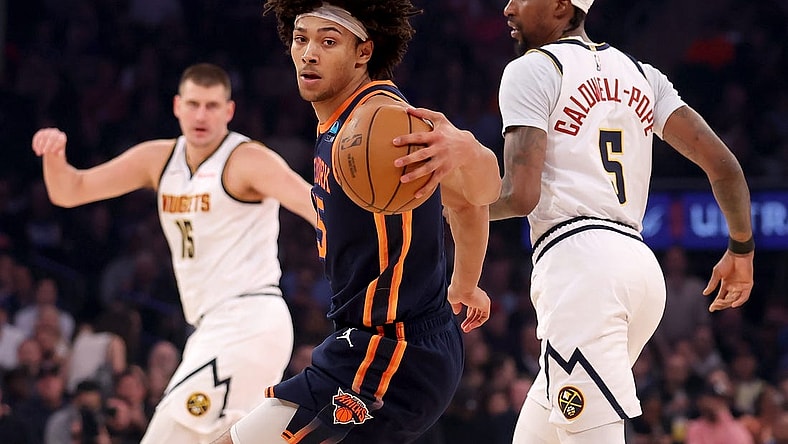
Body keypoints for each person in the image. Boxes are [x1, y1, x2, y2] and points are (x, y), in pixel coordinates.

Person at [397, 0, 755, 442]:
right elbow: (725, 166)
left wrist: (448, 203)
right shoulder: (644, 76)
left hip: (583, 270)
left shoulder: (534, 69)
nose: (507, 8)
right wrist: (741, 248)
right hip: (639, 269)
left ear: (561, 6)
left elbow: (520, 195)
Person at [211, 1, 501, 443]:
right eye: (301, 39)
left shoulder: (384, 125)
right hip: (374, 345)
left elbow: (480, 191)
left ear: (364, 52)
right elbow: (462, 205)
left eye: (329, 42)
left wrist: (467, 148)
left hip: (392, 354)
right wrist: (464, 284)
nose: (309, 53)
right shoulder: (339, 118)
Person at [31, 62, 317, 443]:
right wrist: (54, 155)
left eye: (212, 106)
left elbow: (318, 208)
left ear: (229, 111)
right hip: (211, 327)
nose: (201, 115)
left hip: (248, 320)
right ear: (177, 106)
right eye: (194, 104)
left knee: (165, 437)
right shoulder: (159, 159)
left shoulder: (246, 159)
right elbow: (71, 190)